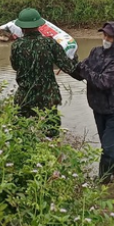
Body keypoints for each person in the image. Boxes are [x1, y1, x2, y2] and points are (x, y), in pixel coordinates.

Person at [69, 21, 114, 182]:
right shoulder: (96, 52)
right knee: (111, 145)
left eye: (110, 37)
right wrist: (71, 63)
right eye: (104, 35)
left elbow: (103, 82)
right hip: (98, 108)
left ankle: (102, 182)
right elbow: (80, 74)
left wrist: (83, 68)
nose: (106, 38)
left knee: (108, 148)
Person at [9, 8, 77, 136]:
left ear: (22, 27)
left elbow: (15, 66)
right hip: (47, 97)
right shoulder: (50, 43)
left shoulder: (16, 46)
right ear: (39, 26)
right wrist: (74, 57)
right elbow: (68, 67)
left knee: (23, 132)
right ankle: (50, 154)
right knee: (51, 133)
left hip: (25, 95)